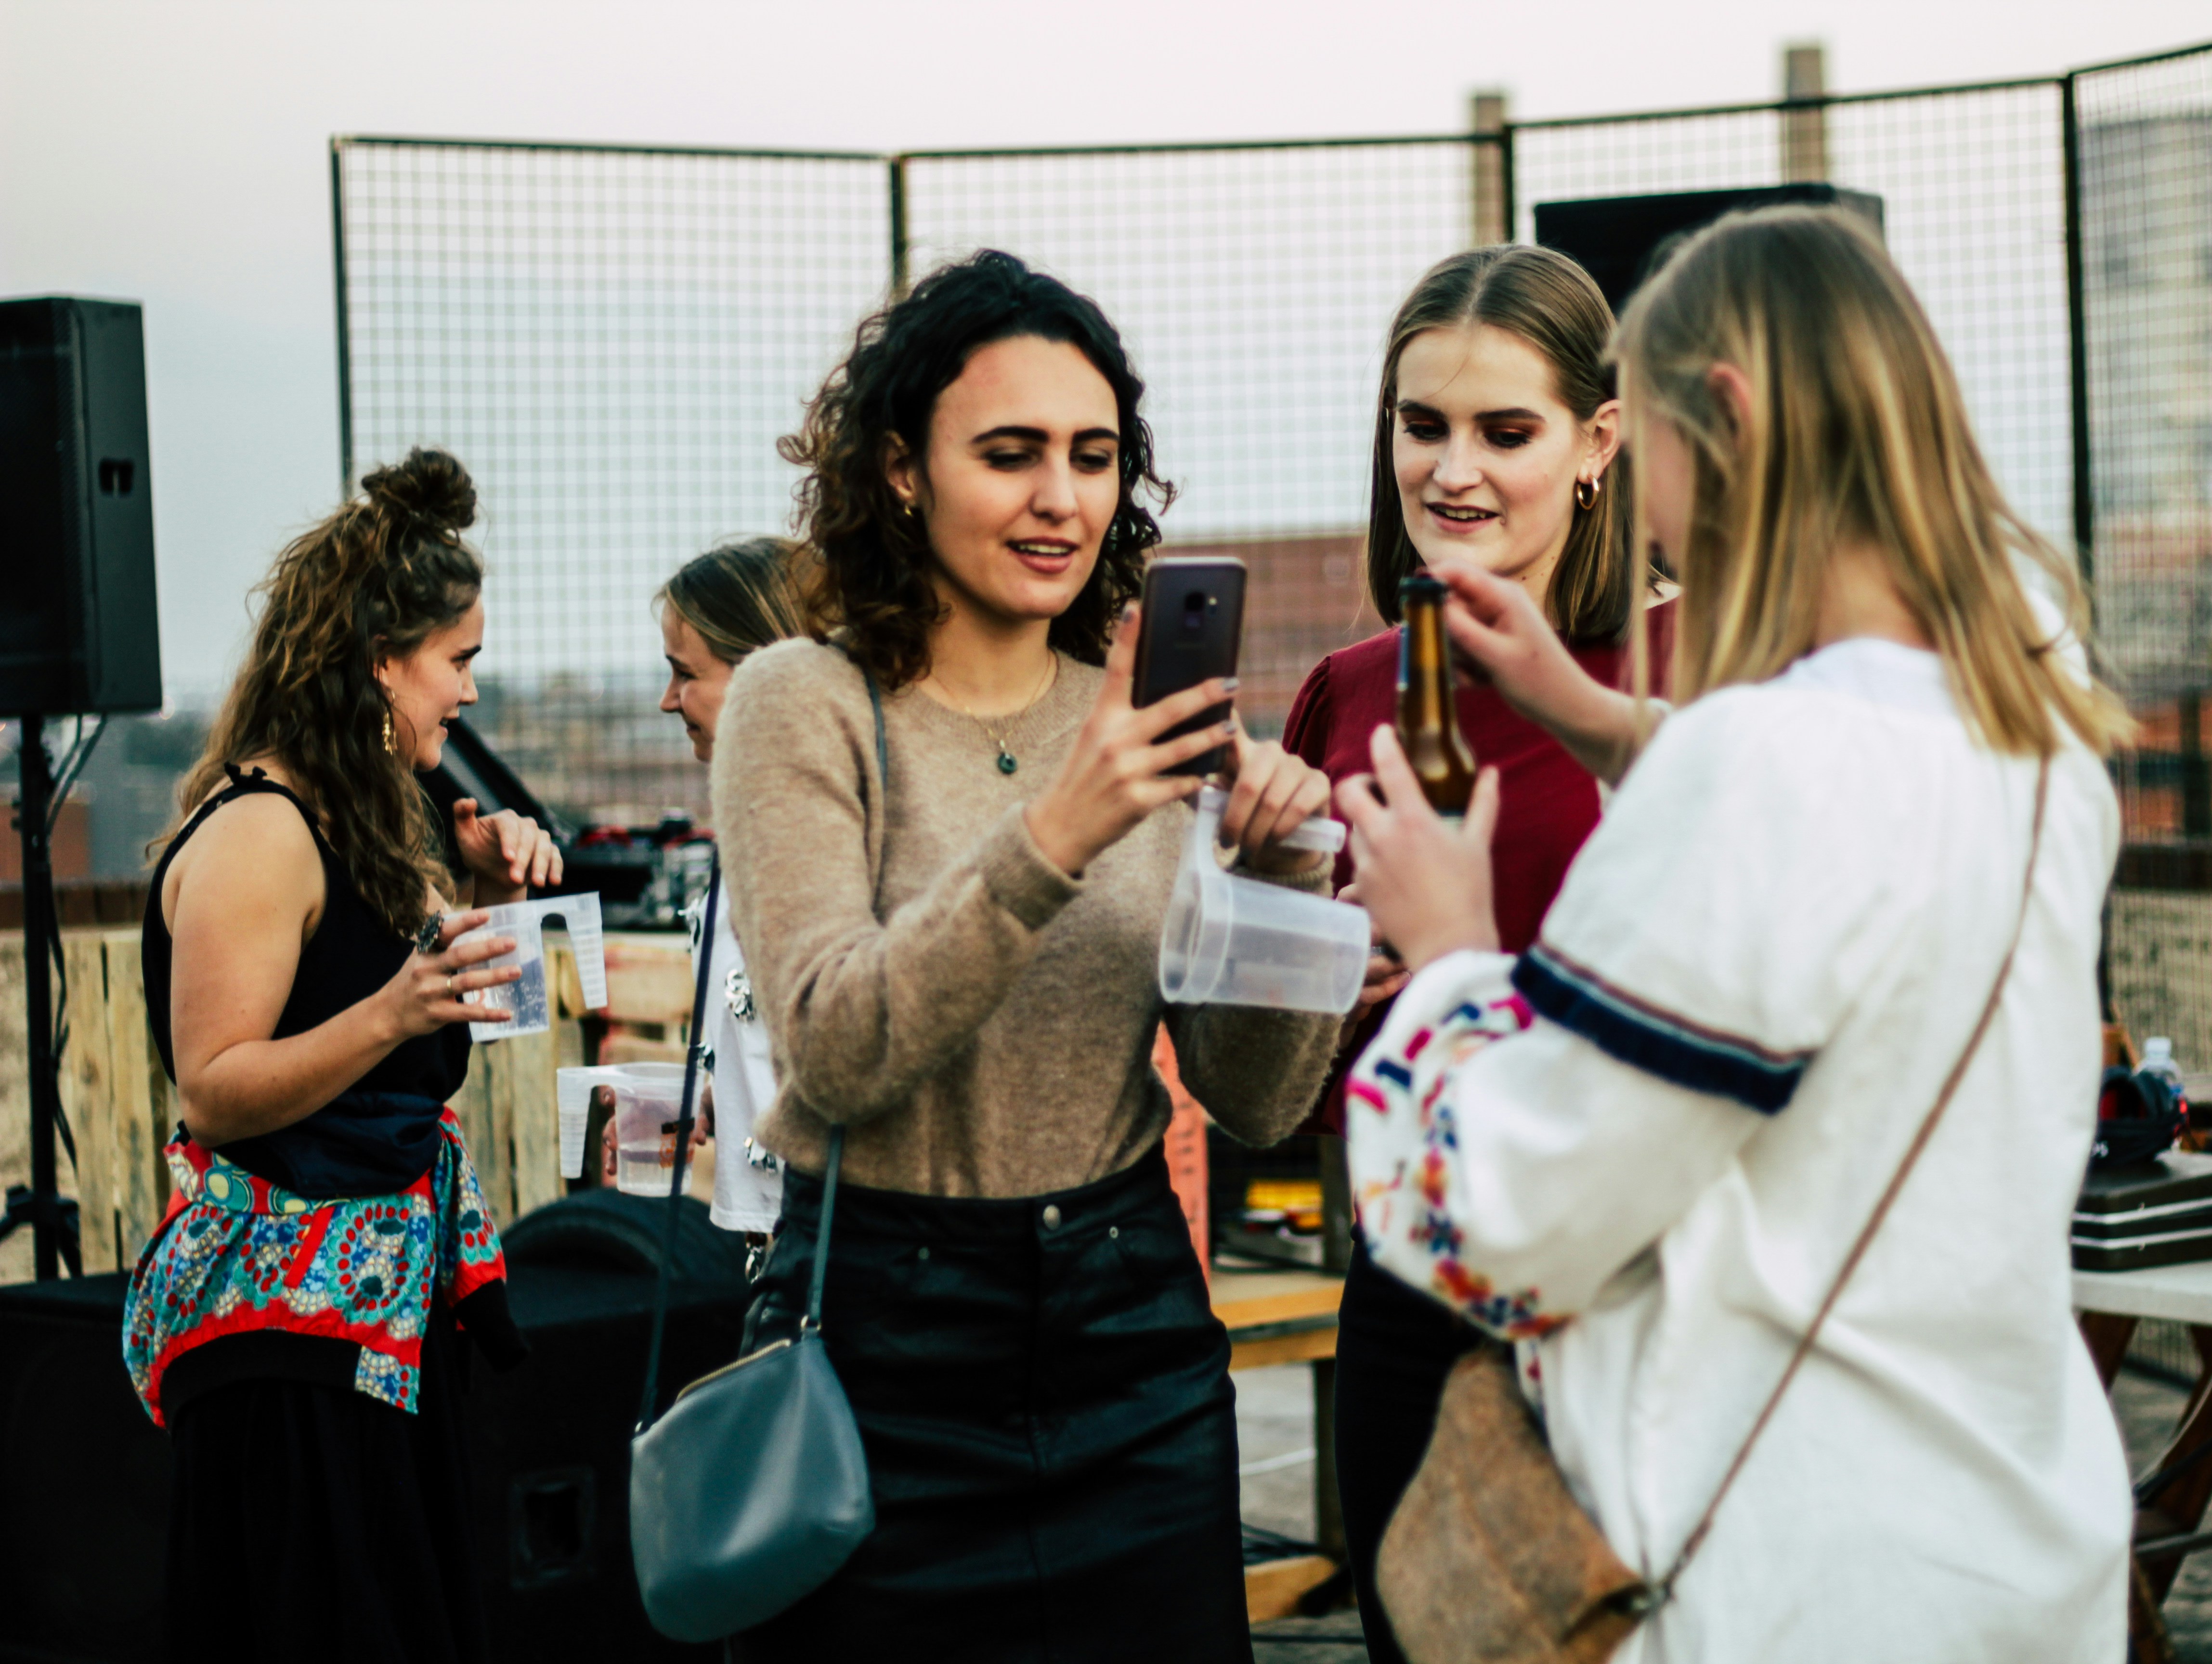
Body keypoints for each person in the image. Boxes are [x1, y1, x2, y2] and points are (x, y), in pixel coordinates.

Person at [1332, 207, 2135, 1663]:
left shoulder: (1759, 762)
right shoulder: (2030, 732)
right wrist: (1596, 719)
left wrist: (1449, 952)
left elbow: (1505, 1221)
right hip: (2010, 1536)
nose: (1645, 502)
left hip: (1787, 1562)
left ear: (1730, 415)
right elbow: (1832, 846)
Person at [712, 250, 1341, 1662]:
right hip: (881, 1350)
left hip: (1133, 1336)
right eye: (1010, 454)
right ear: (899, 469)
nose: (1061, 496)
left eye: (1093, 456)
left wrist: (1280, 875)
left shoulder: (1140, 714)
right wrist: (1061, 828)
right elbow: (832, 1046)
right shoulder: (801, 702)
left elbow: (1252, 1098)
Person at [1276, 241, 1672, 1664]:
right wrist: (1311, 976)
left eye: (1506, 430)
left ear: (1598, 443)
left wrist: (1469, 965)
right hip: (1414, 1295)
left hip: (1647, 1293)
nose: (1454, 471)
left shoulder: (1700, 671)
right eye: (1421, 424)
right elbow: (1278, 1079)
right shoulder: (1346, 691)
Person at [120, 449, 557, 1664]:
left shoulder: (370, 818)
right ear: (379, 660)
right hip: (283, 1350)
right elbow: (216, 1088)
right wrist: (392, 1008)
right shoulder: (263, 831)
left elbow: (435, 1038)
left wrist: (484, 894)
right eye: (457, 659)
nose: (470, 690)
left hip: (382, 1324)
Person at [654, 536, 813, 1250]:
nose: (668, 700)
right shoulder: (754, 820)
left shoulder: (822, 835)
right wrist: (714, 1099)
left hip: (832, 1255)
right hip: (778, 1248)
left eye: (685, 673)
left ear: (764, 675)